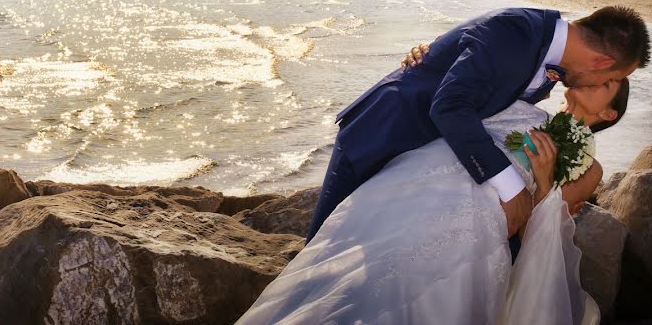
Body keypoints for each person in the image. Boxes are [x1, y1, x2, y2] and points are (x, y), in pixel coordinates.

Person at [236, 80, 628, 324]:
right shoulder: (525, 107)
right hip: (424, 181)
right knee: (356, 260)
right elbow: (458, 96)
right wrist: (425, 56)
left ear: (609, 112)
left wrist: (543, 178)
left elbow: (533, 232)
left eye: (608, 82)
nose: (597, 77)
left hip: (480, 214)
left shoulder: (589, 169)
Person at [306, 6, 650, 246]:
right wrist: (511, 187)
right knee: (324, 244)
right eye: (614, 77)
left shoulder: (551, 62)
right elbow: (451, 105)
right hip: (381, 134)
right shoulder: (516, 31)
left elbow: (482, 90)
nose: (603, 83)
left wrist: (444, 50)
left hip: (423, 159)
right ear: (603, 61)